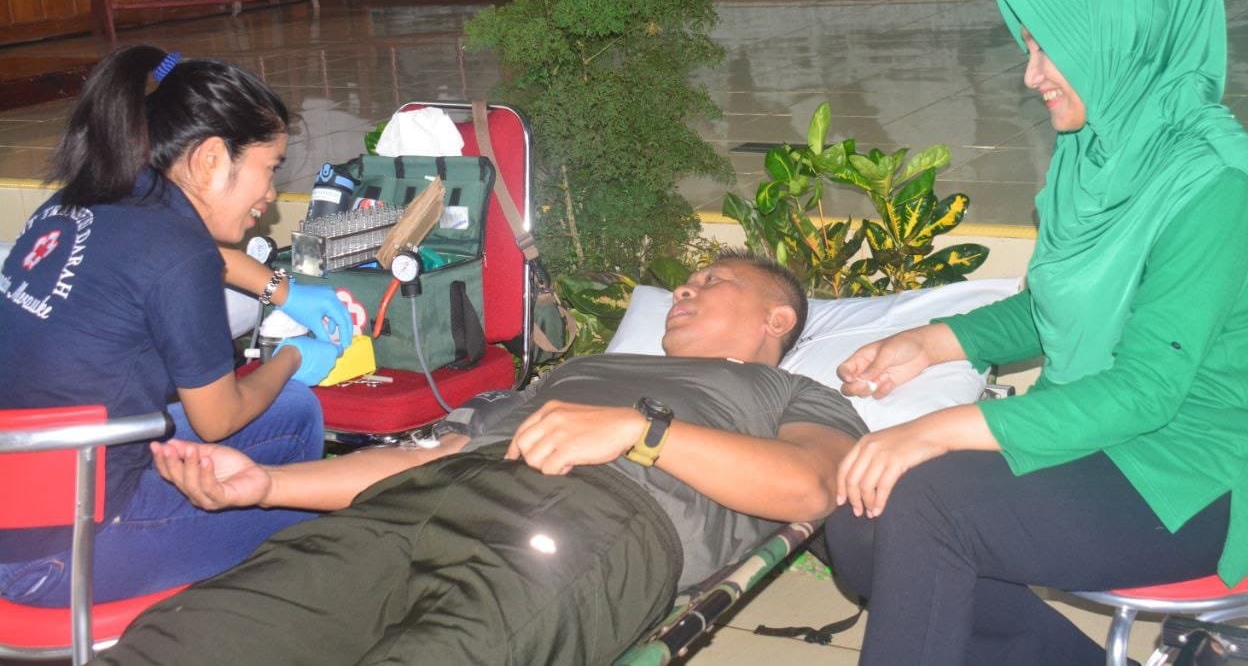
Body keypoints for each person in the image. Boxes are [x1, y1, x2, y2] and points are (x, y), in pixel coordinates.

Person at [822, 0, 1248, 664]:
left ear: (1122, 45)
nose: (1031, 74)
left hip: (1200, 466)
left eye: (1049, 50)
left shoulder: (1212, 190)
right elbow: (1067, 306)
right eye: (1029, 48)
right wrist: (934, 342)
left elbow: (1146, 390)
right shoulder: (1098, 151)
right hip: (1109, 425)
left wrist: (937, 429)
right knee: (859, 517)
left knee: (926, 505)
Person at [96, 252, 867, 665]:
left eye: (712, 280)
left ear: (777, 317)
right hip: (417, 504)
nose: (685, 291)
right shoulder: (577, 372)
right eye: (686, 283)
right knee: (192, 637)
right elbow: (436, 452)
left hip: (591, 522)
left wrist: (641, 431)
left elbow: (812, 486)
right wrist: (266, 484)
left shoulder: (788, 392)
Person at [0, 45, 353, 607]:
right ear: (211, 158)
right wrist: (289, 357)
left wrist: (283, 290)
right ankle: (240, 607)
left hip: (30, 493)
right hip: (59, 554)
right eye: (270, 168)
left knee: (292, 415)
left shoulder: (85, 199)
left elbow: (185, 257)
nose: (269, 194)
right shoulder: (177, 253)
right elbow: (218, 420)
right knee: (315, 521)